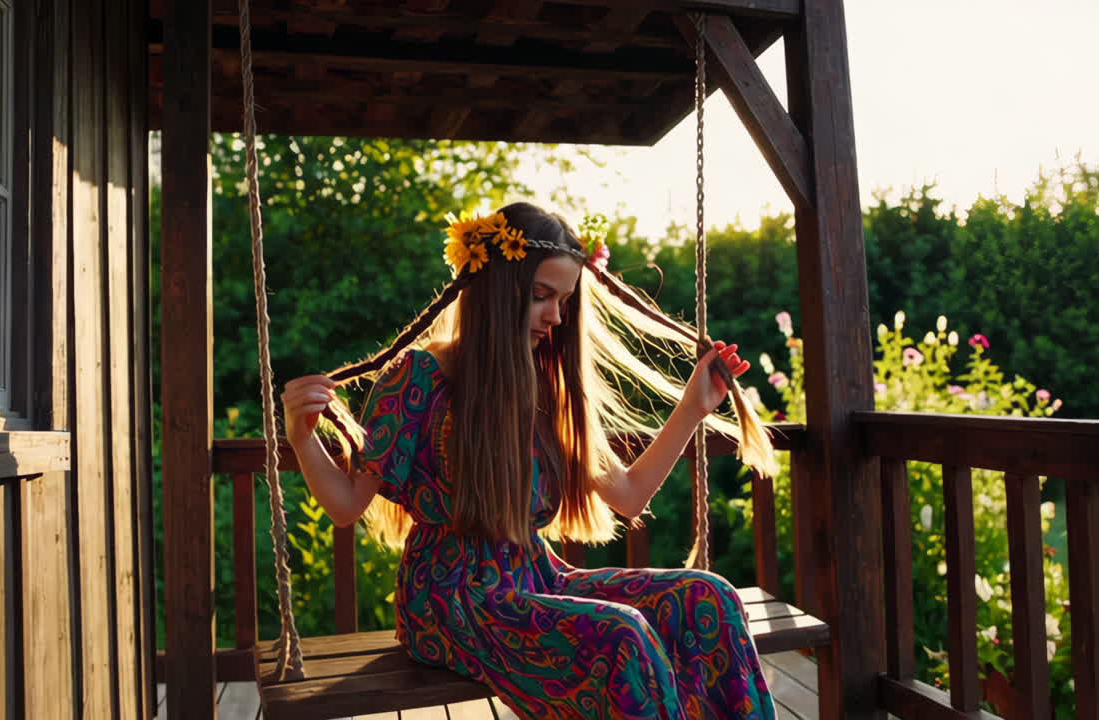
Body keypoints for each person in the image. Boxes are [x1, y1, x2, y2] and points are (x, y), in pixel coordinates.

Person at [281, 202, 780, 719]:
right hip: (450, 600)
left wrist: (693, 408)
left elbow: (629, 495)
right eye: (542, 296)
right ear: (497, 289)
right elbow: (345, 506)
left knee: (707, 596)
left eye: (564, 300)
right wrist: (301, 436)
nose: (556, 317)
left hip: (536, 579)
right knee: (621, 636)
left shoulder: (545, 383)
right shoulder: (421, 377)